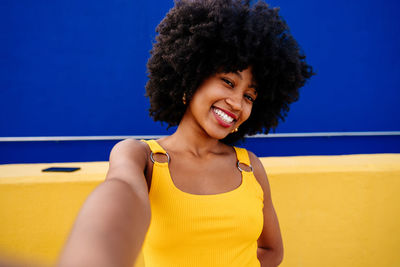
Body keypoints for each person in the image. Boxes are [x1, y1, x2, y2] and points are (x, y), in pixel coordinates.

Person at [58, 0, 313, 266]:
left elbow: (272, 251)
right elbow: (115, 205)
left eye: (249, 96)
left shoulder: (250, 167)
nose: (237, 103)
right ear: (192, 77)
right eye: (228, 82)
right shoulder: (140, 158)